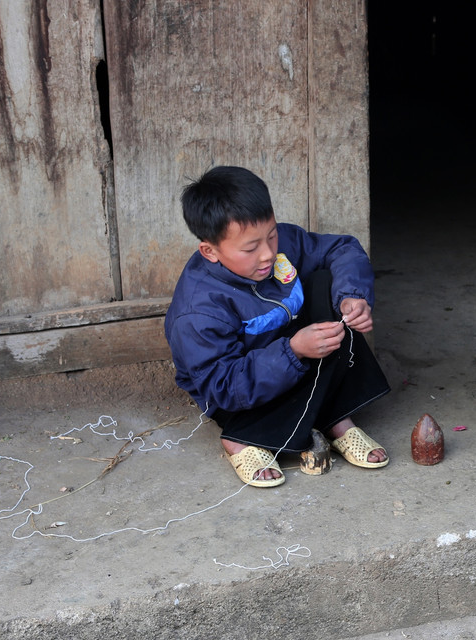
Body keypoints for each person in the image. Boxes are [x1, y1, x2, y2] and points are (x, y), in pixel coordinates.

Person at [164, 166, 391, 487]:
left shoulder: (282, 244)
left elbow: (341, 249)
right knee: (238, 399)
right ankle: (239, 438)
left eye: (270, 235)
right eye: (250, 248)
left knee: (326, 280)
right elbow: (224, 387)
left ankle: (335, 417)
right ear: (210, 251)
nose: (268, 253)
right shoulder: (199, 310)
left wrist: (352, 298)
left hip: (289, 349)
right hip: (235, 388)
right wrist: (293, 350)